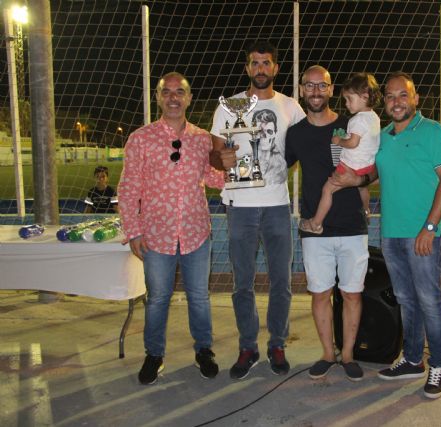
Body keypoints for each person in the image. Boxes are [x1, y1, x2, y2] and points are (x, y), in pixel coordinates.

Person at [331, 72, 441, 399]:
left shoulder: (432, 132)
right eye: (390, 96)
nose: (397, 101)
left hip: (424, 234)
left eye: (404, 95)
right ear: (383, 101)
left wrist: (429, 228)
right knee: (406, 300)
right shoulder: (383, 135)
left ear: (415, 99)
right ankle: (413, 359)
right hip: (392, 234)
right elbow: (370, 173)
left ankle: (439, 364)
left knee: (429, 300)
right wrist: (352, 183)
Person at [118, 72, 224, 385]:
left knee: (199, 298)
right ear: (159, 98)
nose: (174, 98)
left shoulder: (203, 138)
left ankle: (204, 350)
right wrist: (133, 231)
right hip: (155, 235)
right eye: (167, 92)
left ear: (190, 98)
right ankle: (154, 354)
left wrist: (234, 165)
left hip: (195, 232)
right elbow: (128, 188)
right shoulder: (140, 138)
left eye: (180, 92)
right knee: (158, 298)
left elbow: (215, 180)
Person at [210, 40, 305, 380]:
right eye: (255, 63)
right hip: (240, 207)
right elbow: (215, 153)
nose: (261, 68)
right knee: (243, 284)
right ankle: (247, 346)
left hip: (278, 205)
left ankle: (277, 343)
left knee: (282, 281)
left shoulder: (291, 107)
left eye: (267, 62)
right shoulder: (231, 105)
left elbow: (304, 145)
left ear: (276, 68)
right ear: (247, 68)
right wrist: (219, 159)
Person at [285, 65, 368, 381]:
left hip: (351, 226)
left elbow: (373, 172)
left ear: (332, 90)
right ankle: (327, 353)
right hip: (314, 230)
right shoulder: (296, 134)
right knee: (320, 294)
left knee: (352, 294)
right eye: (310, 85)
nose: (316, 91)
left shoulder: (352, 125)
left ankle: (347, 355)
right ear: (302, 90)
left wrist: (358, 181)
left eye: (322, 85)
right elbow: (277, 168)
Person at [298, 72, 381, 234]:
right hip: (366, 167)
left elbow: (353, 143)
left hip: (350, 167)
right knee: (363, 189)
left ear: (364, 97)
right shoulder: (374, 117)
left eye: (349, 99)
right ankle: (366, 211)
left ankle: (316, 222)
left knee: (327, 190)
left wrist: (339, 141)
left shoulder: (357, 120)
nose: (346, 104)